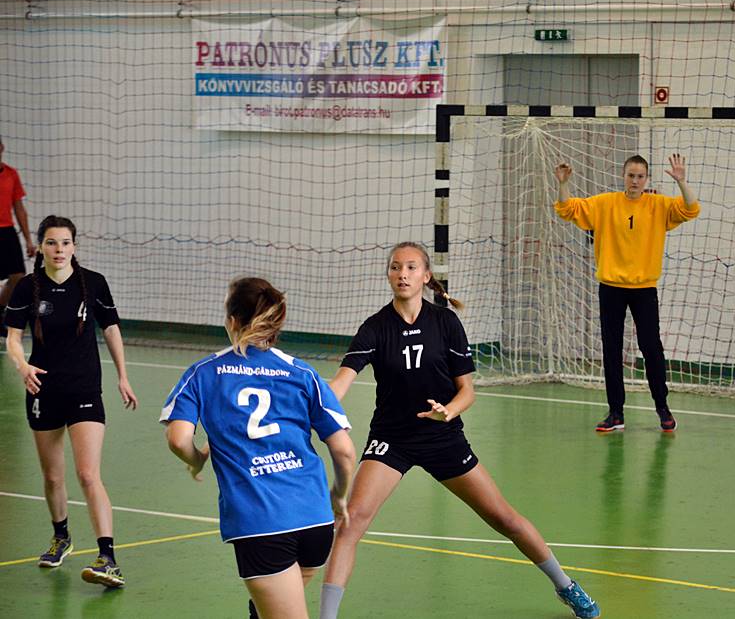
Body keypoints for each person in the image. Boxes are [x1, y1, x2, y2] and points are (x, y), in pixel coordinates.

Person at [319, 242, 600, 619]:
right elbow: (341, 381)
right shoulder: (375, 327)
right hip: (392, 439)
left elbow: (467, 390)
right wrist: (314, 402)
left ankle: (565, 585)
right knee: (351, 523)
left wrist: (448, 412)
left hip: (443, 438)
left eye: (411, 267)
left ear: (426, 276)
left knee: (505, 519)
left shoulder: (446, 323)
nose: (402, 274)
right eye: (395, 267)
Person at [161, 277, 356, 619]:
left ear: (232, 321)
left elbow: (178, 439)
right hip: (316, 521)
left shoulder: (203, 373)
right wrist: (338, 495)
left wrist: (197, 459)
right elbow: (344, 451)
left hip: (261, 524)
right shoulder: (302, 372)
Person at [4, 215, 138, 587]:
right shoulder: (27, 287)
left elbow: (111, 329)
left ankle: (108, 558)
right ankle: (61, 536)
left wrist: (122, 376)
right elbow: (12, 338)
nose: (59, 249)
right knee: (52, 475)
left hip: (84, 388)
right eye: (51, 242)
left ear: (74, 246)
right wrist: (22, 366)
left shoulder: (93, 283)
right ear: (41, 247)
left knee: (87, 473)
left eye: (65, 242)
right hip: (42, 390)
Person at [553, 154, 700, 432]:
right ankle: (616, 413)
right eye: (631, 176)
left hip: (644, 289)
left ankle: (662, 408)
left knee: (651, 348)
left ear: (646, 179)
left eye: (640, 176)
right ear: (623, 176)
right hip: (611, 289)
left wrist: (681, 181)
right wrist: (563, 184)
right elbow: (566, 209)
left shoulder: (658, 205)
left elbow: (691, 209)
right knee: (612, 350)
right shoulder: (605, 203)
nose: (635, 181)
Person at [0, 136, 37, 331]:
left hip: (6, 231)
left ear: (1, 148)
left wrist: (29, 240)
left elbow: (19, 208)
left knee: (18, 276)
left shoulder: (11, 174)